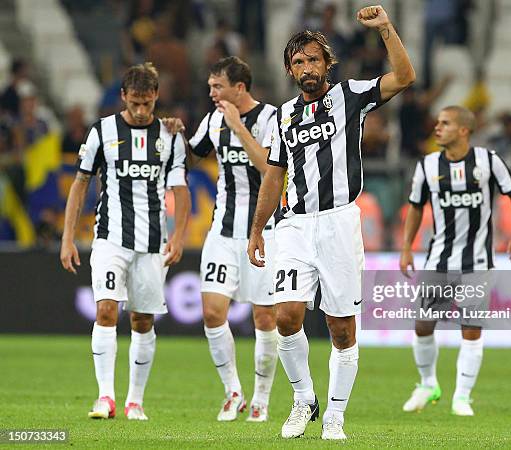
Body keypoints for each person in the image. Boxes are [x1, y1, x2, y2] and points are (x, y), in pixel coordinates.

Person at [247, 5, 416, 440]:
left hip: (340, 222)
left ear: (327, 64)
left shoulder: (351, 95)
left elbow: (404, 78)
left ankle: (336, 414)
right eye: (299, 61)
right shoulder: (284, 116)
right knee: (285, 316)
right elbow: (274, 175)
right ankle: (304, 399)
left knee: (342, 328)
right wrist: (256, 229)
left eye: (314, 59)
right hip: (295, 226)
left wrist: (384, 30)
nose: (307, 67)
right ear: (289, 69)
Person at [59, 63, 190, 421]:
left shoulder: (170, 137)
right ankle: (105, 398)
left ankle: (135, 400)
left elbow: (181, 189)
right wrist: (68, 237)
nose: (141, 111)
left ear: (156, 97)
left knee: (143, 320)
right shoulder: (101, 132)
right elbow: (81, 183)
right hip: (110, 239)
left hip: (152, 243)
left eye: (147, 103)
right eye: (134, 103)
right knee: (105, 310)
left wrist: (178, 237)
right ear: (123, 97)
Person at [166, 56, 279, 422]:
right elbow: (192, 156)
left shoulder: (271, 118)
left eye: (218, 86)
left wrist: (239, 128)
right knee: (212, 311)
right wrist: (174, 133)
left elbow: (269, 167)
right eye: (210, 86)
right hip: (222, 231)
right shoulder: (214, 119)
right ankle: (233, 392)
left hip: (263, 233)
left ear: (240, 87)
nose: (211, 93)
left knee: (264, 318)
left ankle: (261, 398)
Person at [399, 105, 511, 416]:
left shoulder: (488, 161)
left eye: (444, 123)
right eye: (437, 122)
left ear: (463, 131)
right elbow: (416, 207)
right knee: (422, 324)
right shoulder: (427, 165)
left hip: (477, 261)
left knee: (470, 328)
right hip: (439, 258)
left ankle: (462, 397)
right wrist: (406, 248)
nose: (437, 128)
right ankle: (428, 383)